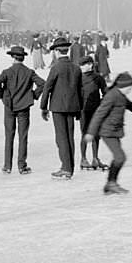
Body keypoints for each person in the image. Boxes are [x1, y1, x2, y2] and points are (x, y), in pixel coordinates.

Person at [85, 72, 132, 195]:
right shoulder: (112, 96)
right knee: (120, 157)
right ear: (124, 86)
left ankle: (110, 184)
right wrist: (91, 133)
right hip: (107, 132)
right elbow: (99, 114)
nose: (131, 90)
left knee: (118, 157)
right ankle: (111, 183)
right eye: (130, 87)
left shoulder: (120, 95)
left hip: (114, 131)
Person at [0, 45, 44, 175]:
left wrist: (2, 96)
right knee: (23, 136)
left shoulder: (7, 72)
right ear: (23, 58)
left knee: (9, 135)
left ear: (12, 57)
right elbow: (43, 83)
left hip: (9, 106)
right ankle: (22, 165)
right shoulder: (29, 72)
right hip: (24, 107)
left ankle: (7, 165)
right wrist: (33, 95)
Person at [40, 36, 84, 180]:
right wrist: (79, 109)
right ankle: (69, 167)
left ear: (57, 52)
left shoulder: (56, 68)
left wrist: (43, 107)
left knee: (61, 137)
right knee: (70, 137)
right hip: (72, 107)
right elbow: (81, 90)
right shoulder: (76, 68)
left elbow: (47, 88)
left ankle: (65, 168)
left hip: (58, 107)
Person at [77, 55, 108, 170]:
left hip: (96, 110)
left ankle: (95, 158)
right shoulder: (78, 78)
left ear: (90, 65)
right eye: (81, 65)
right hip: (83, 111)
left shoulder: (98, 78)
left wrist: (100, 103)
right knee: (84, 134)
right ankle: (83, 159)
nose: (82, 67)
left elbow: (106, 93)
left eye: (84, 65)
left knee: (96, 135)